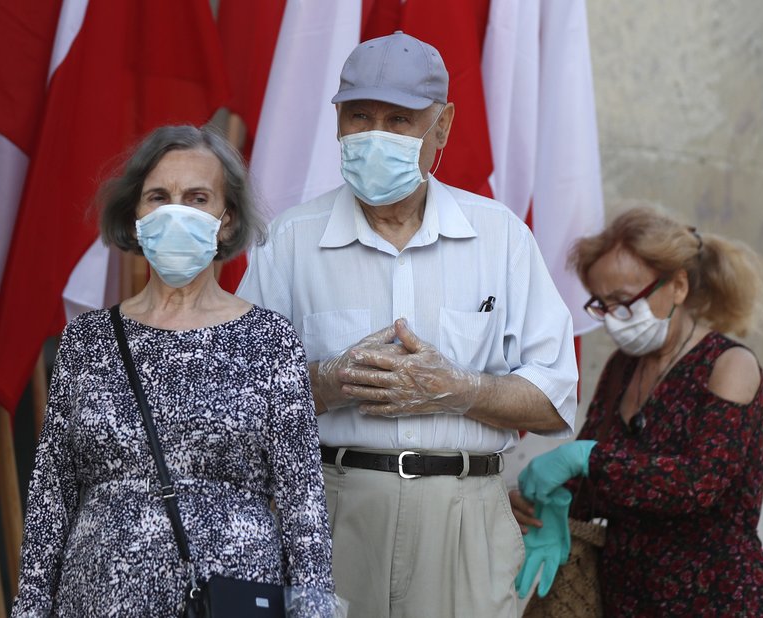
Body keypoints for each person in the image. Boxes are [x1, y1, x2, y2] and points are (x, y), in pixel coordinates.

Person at [237, 32, 579, 618]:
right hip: (331, 511)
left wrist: (462, 390)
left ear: (442, 127)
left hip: (465, 517)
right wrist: (326, 381)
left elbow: (555, 402)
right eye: (359, 116)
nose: (376, 135)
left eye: (400, 120)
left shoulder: (500, 239)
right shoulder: (288, 241)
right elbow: (238, 397)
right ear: (336, 121)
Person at [12, 125, 338, 616]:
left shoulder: (270, 341)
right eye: (158, 197)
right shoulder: (86, 343)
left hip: (232, 601)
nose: (175, 211)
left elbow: (304, 508)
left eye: (197, 197)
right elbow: (50, 501)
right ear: (136, 216)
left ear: (226, 221)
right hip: (96, 603)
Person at [513, 206, 763, 616]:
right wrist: (542, 501)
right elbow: (594, 481)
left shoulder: (729, 365)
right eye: (602, 304)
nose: (615, 319)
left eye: (625, 301)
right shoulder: (623, 367)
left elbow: (698, 484)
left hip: (714, 597)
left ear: (678, 286)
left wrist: (586, 459)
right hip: (627, 597)